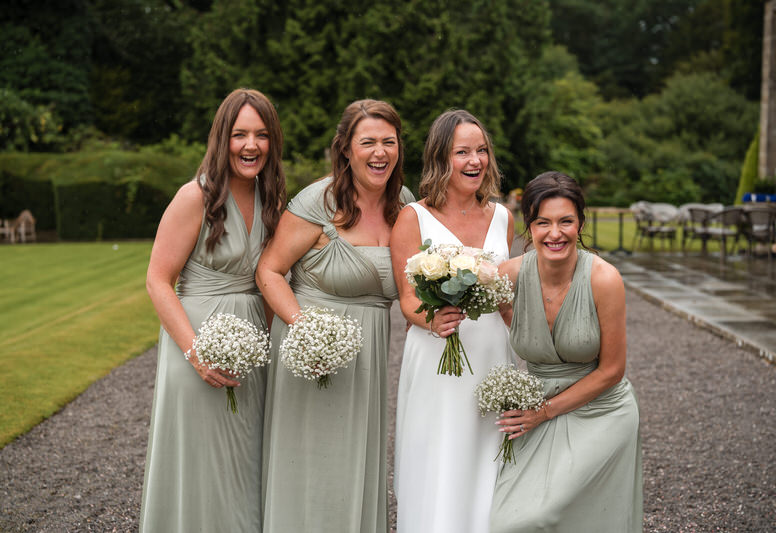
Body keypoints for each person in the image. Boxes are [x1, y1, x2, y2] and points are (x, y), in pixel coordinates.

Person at [256, 99, 414, 533]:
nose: (379, 152)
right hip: (312, 355)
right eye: (368, 142)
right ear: (345, 148)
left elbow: (417, 285)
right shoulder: (318, 201)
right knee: (311, 463)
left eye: (389, 141)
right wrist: (304, 328)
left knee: (355, 461)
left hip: (369, 358)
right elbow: (268, 271)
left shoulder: (405, 205)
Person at [140, 88, 286, 532]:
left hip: (253, 354)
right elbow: (157, 280)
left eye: (261, 135)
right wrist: (195, 352)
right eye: (239, 134)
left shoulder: (273, 200)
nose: (251, 145)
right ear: (222, 139)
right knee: (203, 465)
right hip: (197, 347)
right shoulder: (195, 197)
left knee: (245, 463)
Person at [490, 171, 642, 532]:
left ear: (581, 224)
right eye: (543, 222)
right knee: (504, 521)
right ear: (529, 226)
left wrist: (542, 413)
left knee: (545, 517)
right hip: (535, 409)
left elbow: (612, 370)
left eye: (565, 222)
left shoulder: (604, 279)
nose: (554, 233)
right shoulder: (506, 277)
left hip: (600, 412)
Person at [391, 109, 515, 533]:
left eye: (481, 151)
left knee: (487, 452)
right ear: (441, 158)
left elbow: (506, 298)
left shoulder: (502, 217)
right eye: (463, 152)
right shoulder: (414, 218)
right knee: (440, 453)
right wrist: (433, 320)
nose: (475, 161)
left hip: (493, 353)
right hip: (438, 353)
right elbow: (407, 301)